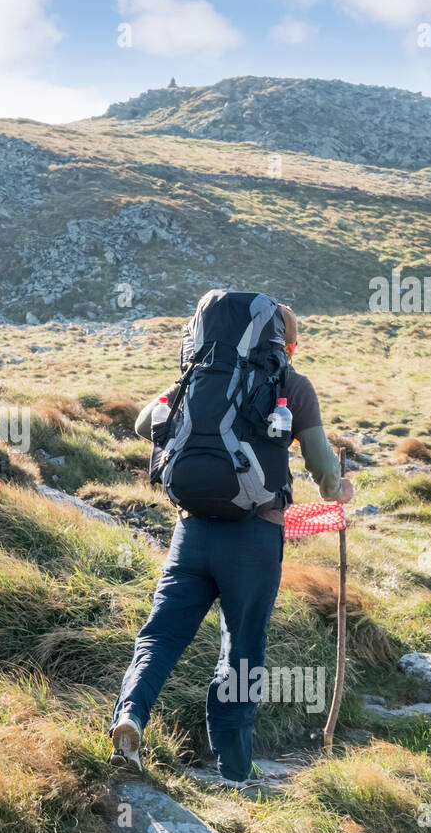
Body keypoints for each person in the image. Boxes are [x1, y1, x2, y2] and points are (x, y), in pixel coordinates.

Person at [109, 300, 354, 781]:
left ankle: (130, 716)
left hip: (193, 529)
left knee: (159, 636)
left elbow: (143, 425)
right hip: (255, 539)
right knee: (242, 651)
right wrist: (339, 489)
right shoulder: (292, 384)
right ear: (288, 343)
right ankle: (235, 770)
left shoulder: (200, 375)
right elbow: (324, 471)